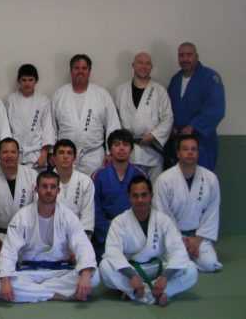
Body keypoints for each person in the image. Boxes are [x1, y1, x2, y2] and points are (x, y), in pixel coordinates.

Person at [0, 171, 99, 303]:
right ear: (36, 189)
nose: (48, 190)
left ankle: (35, 292)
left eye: (53, 187)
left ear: (58, 190)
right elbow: (9, 250)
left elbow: (83, 245)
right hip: (29, 271)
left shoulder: (68, 216)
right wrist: (5, 279)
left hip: (60, 271)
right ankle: (59, 295)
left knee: (94, 276)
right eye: (44, 186)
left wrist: (86, 273)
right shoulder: (22, 216)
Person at [100, 176, 197, 306]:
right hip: (133, 270)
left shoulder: (164, 220)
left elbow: (177, 250)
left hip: (159, 268)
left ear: (151, 196)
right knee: (105, 267)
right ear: (129, 197)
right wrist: (132, 276)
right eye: (135, 196)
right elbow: (113, 252)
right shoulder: (119, 221)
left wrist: (165, 277)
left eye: (144, 195)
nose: (140, 200)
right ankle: (158, 294)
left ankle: (136, 293)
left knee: (191, 269)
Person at [153, 135, 223, 272]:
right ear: (178, 153)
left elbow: (212, 212)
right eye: (185, 149)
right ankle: (184, 258)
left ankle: (188, 258)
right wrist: (180, 240)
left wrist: (197, 240)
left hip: (198, 236)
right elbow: (162, 214)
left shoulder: (210, 179)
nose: (190, 152)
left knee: (210, 264)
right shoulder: (164, 180)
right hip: (172, 237)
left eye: (193, 149)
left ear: (198, 153)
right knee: (173, 263)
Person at [52, 54, 121, 176]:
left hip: (93, 157)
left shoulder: (102, 95)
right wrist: (51, 152)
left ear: (89, 71)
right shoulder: (59, 95)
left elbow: (112, 124)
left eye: (84, 68)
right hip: (65, 156)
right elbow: (51, 126)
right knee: (65, 186)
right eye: (76, 68)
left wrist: (111, 153)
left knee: (93, 186)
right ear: (71, 70)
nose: (80, 71)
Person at [115, 52, 173, 181]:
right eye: (140, 63)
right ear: (133, 65)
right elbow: (114, 119)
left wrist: (153, 136)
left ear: (151, 67)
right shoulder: (120, 91)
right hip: (127, 149)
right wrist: (122, 137)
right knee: (128, 188)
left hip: (151, 150)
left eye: (147, 64)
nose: (144, 66)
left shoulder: (159, 90)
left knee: (154, 188)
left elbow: (168, 118)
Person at [167, 42, 225, 171]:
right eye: (181, 55)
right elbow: (167, 108)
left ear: (197, 56)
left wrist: (193, 126)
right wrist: (171, 125)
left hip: (202, 142)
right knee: (178, 179)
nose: (185, 59)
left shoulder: (210, 78)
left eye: (189, 55)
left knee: (202, 179)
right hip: (179, 142)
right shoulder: (175, 80)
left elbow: (216, 109)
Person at [92, 129, 148, 259]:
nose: (121, 148)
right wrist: (110, 235)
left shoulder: (140, 175)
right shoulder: (98, 176)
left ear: (131, 149)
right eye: (116, 144)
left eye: (126, 145)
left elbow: (146, 207)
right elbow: (94, 209)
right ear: (110, 149)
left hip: (134, 233)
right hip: (106, 235)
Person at [0, 138, 37, 255]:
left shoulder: (31, 175)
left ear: (19, 154)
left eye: (13, 152)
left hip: (26, 234)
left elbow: (38, 207)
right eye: (5, 152)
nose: (9, 156)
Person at [7, 64, 55, 170]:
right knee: (16, 180)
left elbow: (47, 128)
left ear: (36, 80)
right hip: (16, 153)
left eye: (30, 80)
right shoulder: (11, 100)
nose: (27, 83)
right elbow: (7, 129)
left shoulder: (43, 101)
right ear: (18, 81)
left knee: (37, 180)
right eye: (23, 80)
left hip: (37, 154)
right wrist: (8, 153)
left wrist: (44, 154)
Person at [53, 139, 95, 237]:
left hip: (78, 236)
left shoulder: (85, 181)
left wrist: (79, 242)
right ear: (54, 157)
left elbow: (87, 217)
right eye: (61, 153)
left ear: (74, 158)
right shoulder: (44, 181)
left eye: (69, 153)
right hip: (51, 235)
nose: (65, 156)